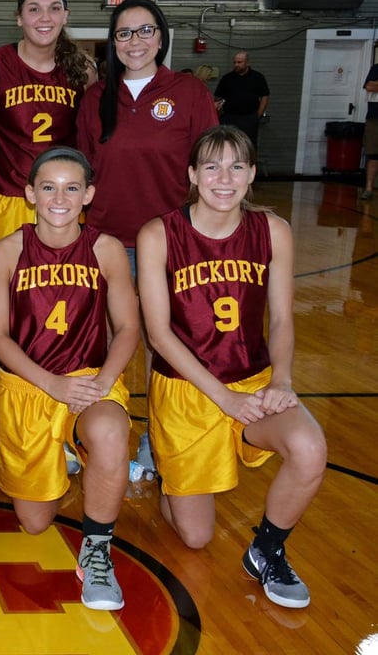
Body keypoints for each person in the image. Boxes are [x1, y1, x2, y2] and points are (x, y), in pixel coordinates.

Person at [137, 125, 326, 609]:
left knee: (309, 449)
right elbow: (159, 336)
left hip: (254, 383)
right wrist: (224, 399)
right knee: (196, 536)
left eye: (237, 166)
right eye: (212, 167)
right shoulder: (159, 234)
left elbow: (281, 318)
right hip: (187, 392)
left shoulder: (273, 231)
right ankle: (165, 469)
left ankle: (267, 550)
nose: (225, 178)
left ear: (252, 174)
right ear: (192, 175)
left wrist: (282, 379)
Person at [0, 146, 139, 611]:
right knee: (35, 523)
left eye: (72, 188)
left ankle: (97, 550)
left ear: (88, 195)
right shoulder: (6, 251)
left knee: (109, 430)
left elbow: (128, 328)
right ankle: (64, 453)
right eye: (48, 187)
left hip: (88, 378)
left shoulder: (105, 249)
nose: (59, 198)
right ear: (30, 193)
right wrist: (51, 384)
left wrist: (104, 383)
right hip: (28, 384)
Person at [77, 0, 219, 269]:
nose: (135, 41)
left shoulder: (190, 92)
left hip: (172, 240)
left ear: (161, 38)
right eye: (124, 33)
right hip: (106, 242)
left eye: (145, 30)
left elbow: (211, 166)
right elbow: (84, 170)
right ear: (114, 43)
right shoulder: (94, 98)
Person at [0, 0, 96, 254]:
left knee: (63, 278)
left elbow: (89, 133)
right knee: (2, 276)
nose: (45, 17)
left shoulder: (83, 69)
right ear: (19, 18)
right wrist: (4, 148)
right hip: (7, 197)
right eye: (34, 9)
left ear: (66, 15)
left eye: (54, 8)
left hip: (63, 199)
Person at [214, 51, 270, 144]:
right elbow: (218, 96)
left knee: (249, 144)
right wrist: (220, 114)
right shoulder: (227, 78)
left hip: (249, 118)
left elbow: (265, 95)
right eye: (234, 62)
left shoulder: (257, 77)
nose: (236, 65)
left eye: (239, 62)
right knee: (228, 143)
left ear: (247, 63)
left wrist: (258, 115)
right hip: (229, 117)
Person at [360, 62, 378, 199]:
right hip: (375, 118)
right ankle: (368, 188)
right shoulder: (376, 68)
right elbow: (369, 86)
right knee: (373, 154)